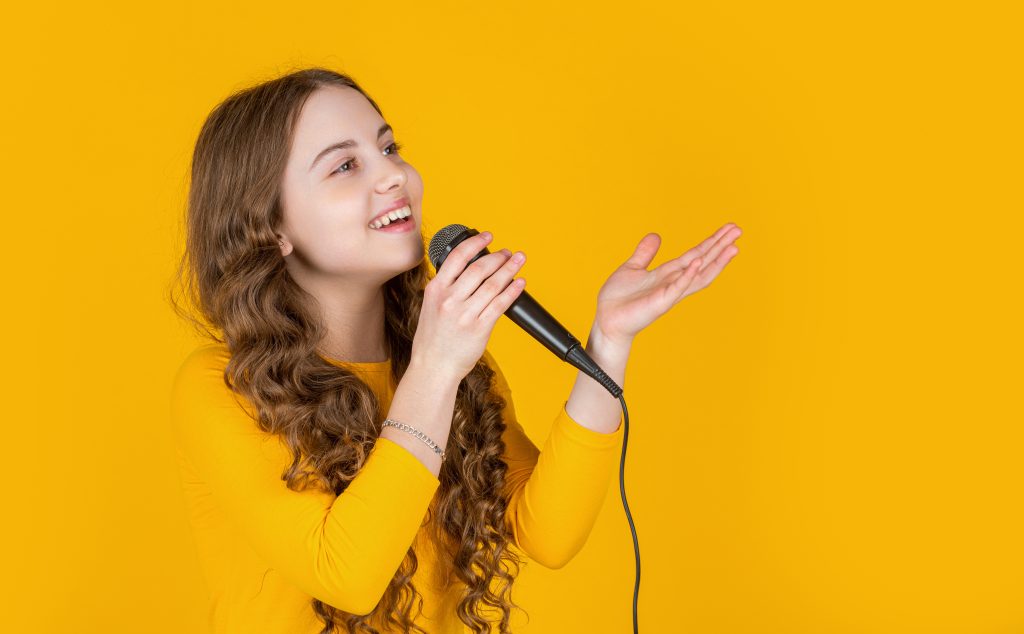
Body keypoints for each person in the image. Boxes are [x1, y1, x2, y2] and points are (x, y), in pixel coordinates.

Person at [169, 67, 741, 634]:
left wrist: (608, 344)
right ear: (271, 226)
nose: (393, 175)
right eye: (345, 165)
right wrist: (437, 367)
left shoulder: (448, 362)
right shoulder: (222, 387)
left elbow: (547, 532)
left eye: (389, 148)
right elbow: (346, 576)